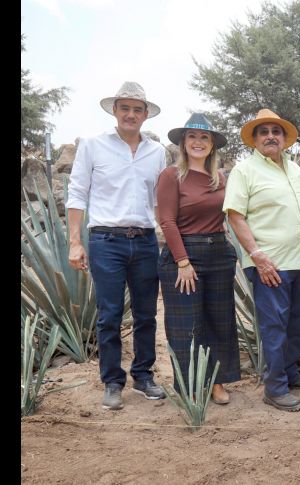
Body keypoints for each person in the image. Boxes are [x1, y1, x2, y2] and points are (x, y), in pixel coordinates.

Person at [66, 81, 167, 410]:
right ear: (115, 110)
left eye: (138, 109)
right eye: (125, 108)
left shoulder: (157, 152)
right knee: (109, 315)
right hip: (106, 241)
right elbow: (77, 193)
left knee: (147, 314)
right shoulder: (93, 146)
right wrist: (74, 243)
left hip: (145, 242)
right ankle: (112, 380)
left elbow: (160, 201)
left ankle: (143, 375)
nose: (131, 114)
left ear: (146, 115)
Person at [223, 109, 300, 412]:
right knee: (274, 325)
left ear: (284, 139)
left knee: (297, 321)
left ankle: (289, 373)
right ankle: (274, 387)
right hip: (269, 264)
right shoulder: (245, 171)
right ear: (254, 139)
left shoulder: (296, 170)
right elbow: (235, 216)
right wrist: (256, 255)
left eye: (276, 132)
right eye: (263, 132)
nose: (270, 136)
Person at [156, 113, 239, 405]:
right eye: (192, 136)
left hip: (218, 254)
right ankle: (189, 384)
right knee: (186, 324)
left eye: (204, 137)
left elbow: (233, 216)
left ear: (213, 144)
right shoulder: (171, 176)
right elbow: (166, 221)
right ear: (183, 142)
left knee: (218, 321)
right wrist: (182, 261)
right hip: (184, 256)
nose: (198, 142)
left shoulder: (220, 178)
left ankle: (216, 381)